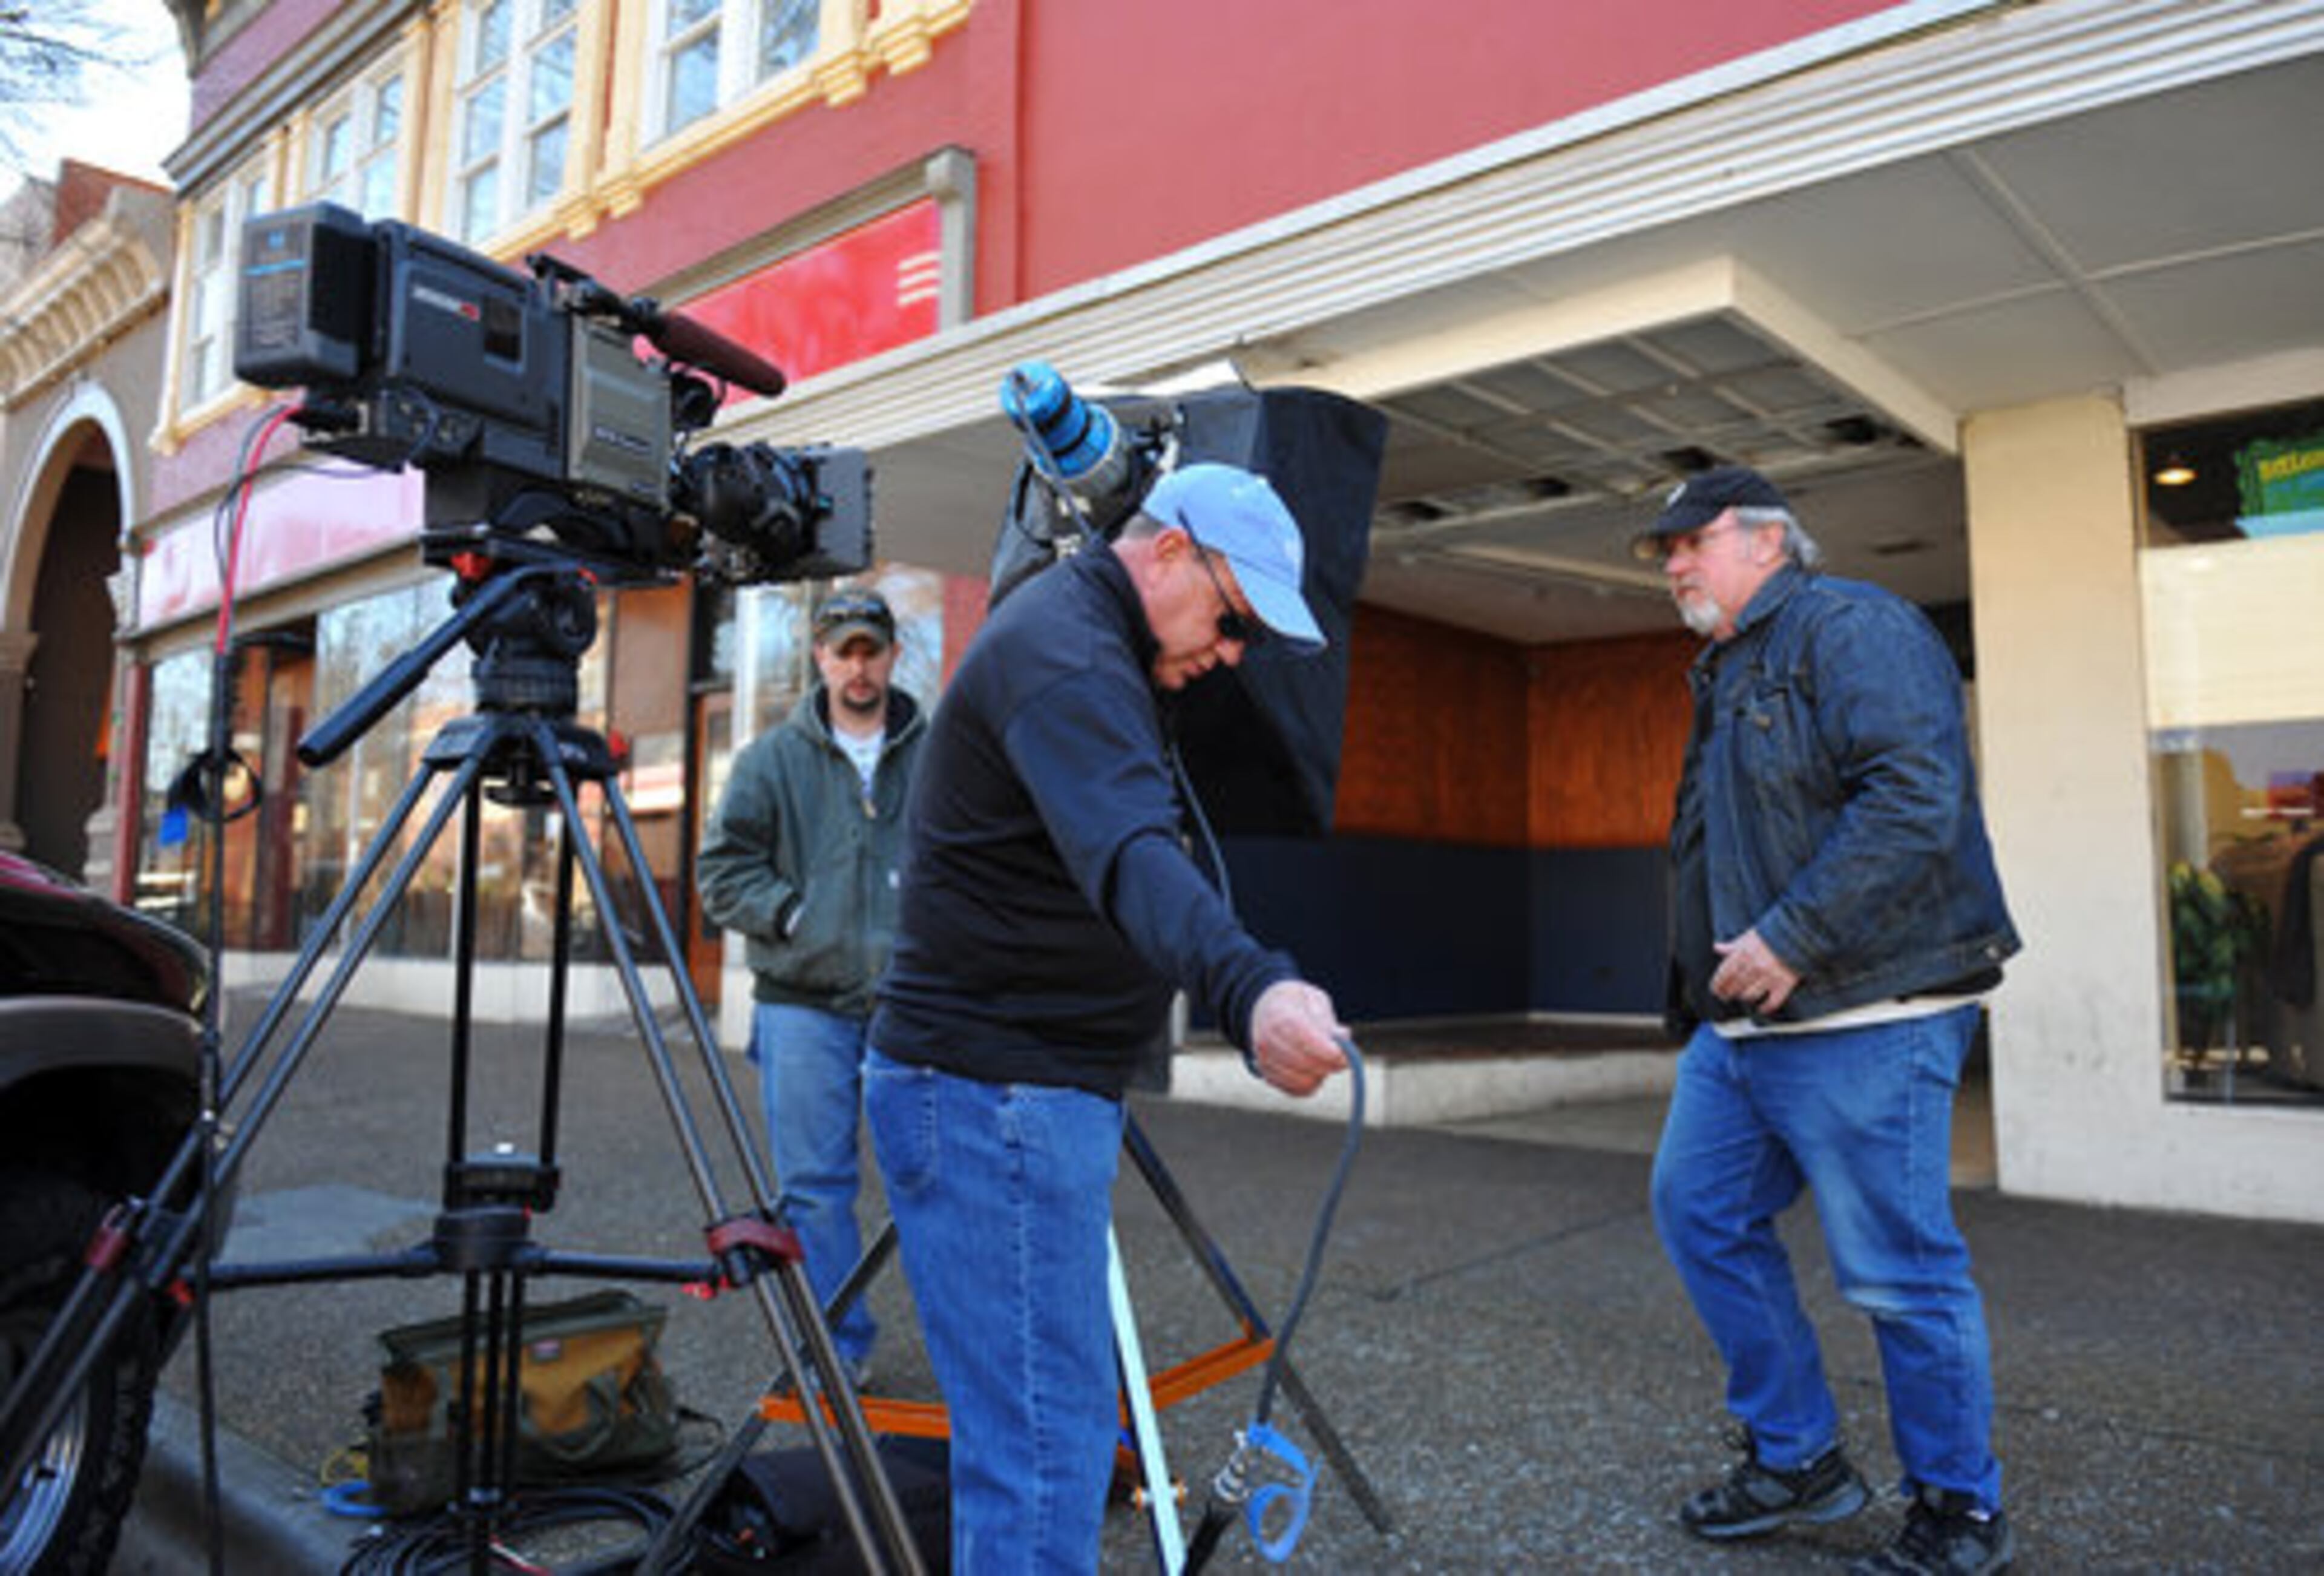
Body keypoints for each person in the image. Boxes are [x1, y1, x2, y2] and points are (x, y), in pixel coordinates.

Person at [864, 462, 1351, 1574]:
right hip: (995, 1092)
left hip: (1021, 1089)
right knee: (1045, 1456)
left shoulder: (1093, 640)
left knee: (1048, 1440)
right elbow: (1132, 855)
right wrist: (1253, 985)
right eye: (1234, 620)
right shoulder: (1070, 657)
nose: (1232, 653)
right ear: (1169, 550)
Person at [1637, 465, 2021, 1576]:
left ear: (1766, 541)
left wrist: (1794, 937)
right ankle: (1799, 1454)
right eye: (1664, 550)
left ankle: (1960, 1511)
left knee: (1899, 1270)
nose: (1671, 564)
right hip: (1749, 1023)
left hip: (1866, 1006)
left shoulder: (1853, 626)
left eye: (1689, 541)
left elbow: (1914, 795)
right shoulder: (1730, 663)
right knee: (1698, 1211)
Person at [697, 586, 924, 1384]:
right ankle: (837, 1350)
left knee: (931, 1181)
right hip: (802, 1008)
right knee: (814, 1189)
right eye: (843, 651)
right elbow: (720, 872)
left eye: (871, 649)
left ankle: (966, 1352)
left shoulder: (939, 753)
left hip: (913, 1007)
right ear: (821, 658)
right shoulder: (770, 760)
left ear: (895, 654)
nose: (858, 667)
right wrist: (795, 916)